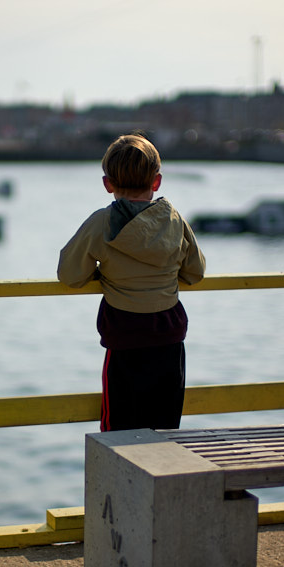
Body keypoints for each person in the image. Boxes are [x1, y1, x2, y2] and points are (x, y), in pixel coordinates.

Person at [57, 133, 206, 432]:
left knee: (119, 437)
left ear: (107, 183)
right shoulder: (173, 219)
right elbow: (196, 272)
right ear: (156, 182)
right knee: (164, 434)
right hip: (169, 338)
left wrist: (100, 273)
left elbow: (70, 275)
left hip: (125, 338)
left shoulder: (102, 223)